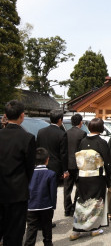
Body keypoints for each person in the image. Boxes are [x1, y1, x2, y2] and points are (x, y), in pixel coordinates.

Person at [0, 100, 36, 246]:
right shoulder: (27, 138)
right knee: (14, 234)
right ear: (22, 116)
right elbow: (29, 168)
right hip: (17, 192)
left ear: (5, 115)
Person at [70, 118, 110, 241]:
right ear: (101, 128)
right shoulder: (101, 142)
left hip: (82, 175)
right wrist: (109, 176)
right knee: (95, 202)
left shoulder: (82, 141)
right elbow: (107, 161)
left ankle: (77, 229)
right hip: (96, 176)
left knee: (81, 201)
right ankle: (94, 228)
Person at [24, 148, 57, 246]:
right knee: (47, 227)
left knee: (31, 227)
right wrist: (53, 206)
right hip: (46, 205)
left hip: (31, 205)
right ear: (47, 159)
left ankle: (29, 244)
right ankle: (48, 243)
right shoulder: (51, 174)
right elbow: (53, 192)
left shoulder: (28, 173)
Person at [37, 109, 69, 186]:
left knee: (42, 188)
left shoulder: (41, 132)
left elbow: (38, 148)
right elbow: (63, 153)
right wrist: (65, 170)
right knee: (52, 190)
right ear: (60, 120)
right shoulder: (62, 134)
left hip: (41, 165)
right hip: (55, 167)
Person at [64, 114, 87, 217]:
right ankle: (74, 207)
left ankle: (67, 209)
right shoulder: (82, 134)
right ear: (80, 122)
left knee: (67, 188)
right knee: (79, 187)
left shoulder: (66, 133)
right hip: (78, 164)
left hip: (68, 164)